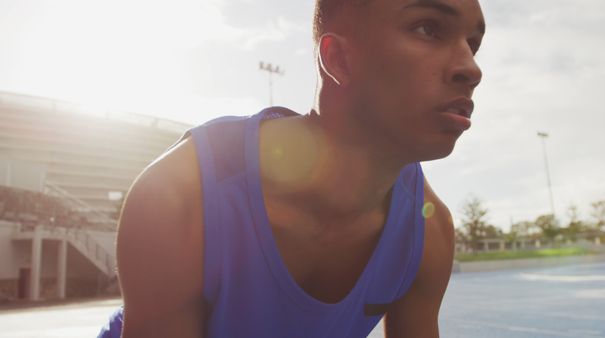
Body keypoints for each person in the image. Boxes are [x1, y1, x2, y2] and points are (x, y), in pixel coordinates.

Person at [98, 0, 484, 337]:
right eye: (428, 28)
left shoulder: (428, 231)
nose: (472, 69)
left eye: (473, 43)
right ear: (338, 59)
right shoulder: (181, 196)